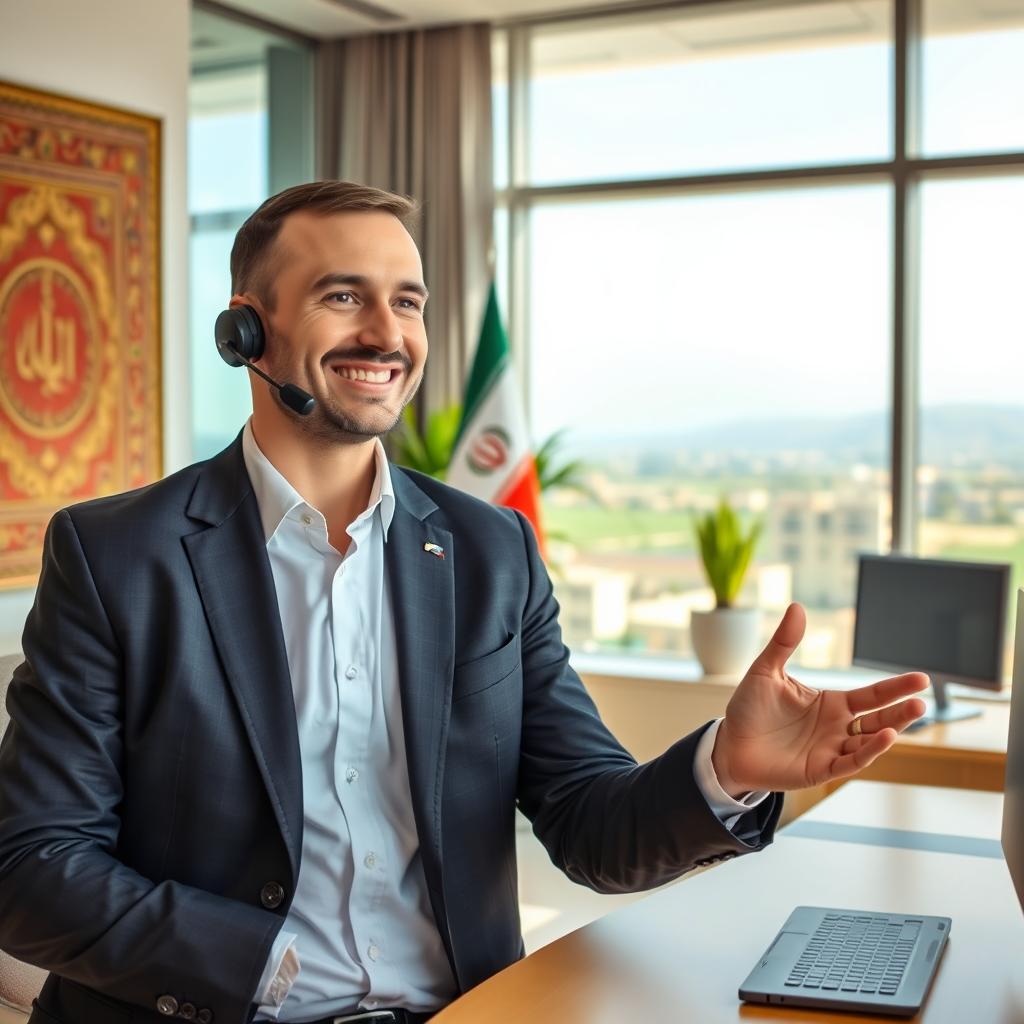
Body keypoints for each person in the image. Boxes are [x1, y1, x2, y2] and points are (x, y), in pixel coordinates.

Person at [0, 181, 928, 1024]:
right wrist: (269, 965)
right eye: (342, 295)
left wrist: (726, 767)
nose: (386, 332)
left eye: (407, 301)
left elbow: (587, 823)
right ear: (246, 330)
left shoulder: (491, 552)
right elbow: (32, 867)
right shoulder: (115, 553)